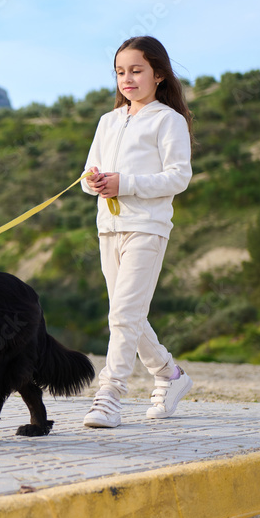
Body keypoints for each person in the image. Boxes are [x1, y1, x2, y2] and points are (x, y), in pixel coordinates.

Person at [79, 36, 194, 428]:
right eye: (120, 72)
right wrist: (93, 182)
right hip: (108, 228)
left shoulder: (168, 120)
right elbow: (86, 173)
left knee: (124, 314)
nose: (127, 79)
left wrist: (124, 182)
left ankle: (110, 395)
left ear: (158, 74)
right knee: (125, 313)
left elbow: (179, 176)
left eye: (136, 70)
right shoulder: (107, 121)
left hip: (147, 227)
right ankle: (170, 374)